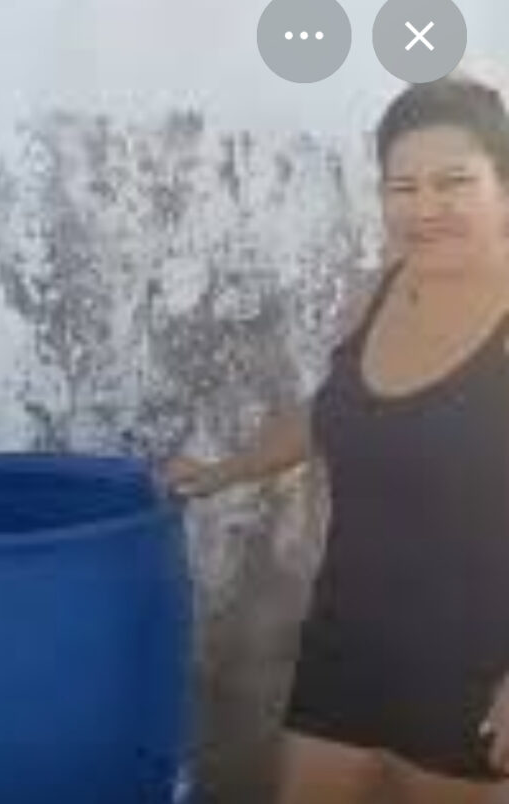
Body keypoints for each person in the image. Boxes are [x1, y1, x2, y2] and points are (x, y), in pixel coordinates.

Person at [167, 78, 509, 804]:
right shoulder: (378, 292)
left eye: (454, 182)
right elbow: (332, 412)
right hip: (347, 646)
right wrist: (224, 471)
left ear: (503, 188)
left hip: (474, 667)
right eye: (402, 187)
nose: (425, 208)